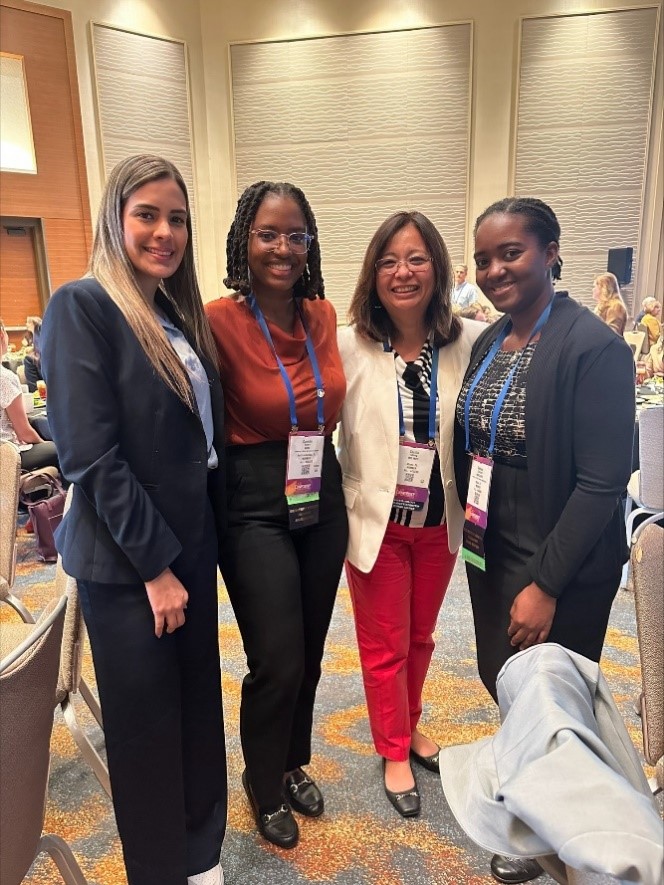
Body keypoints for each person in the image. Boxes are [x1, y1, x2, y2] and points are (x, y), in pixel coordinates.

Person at [41, 155, 227, 885]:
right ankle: (160, 871)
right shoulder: (82, 306)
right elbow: (91, 455)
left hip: (190, 545)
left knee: (194, 714)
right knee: (149, 734)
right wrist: (155, 568)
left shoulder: (172, 314)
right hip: (132, 564)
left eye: (177, 218)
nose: (164, 231)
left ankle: (200, 857)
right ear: (116, 220)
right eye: (147, 214)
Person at [453, 197, 635, 885]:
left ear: (551, 251)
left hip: (559, 553)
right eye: (485, 259)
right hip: (491, 540)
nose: (496, 269)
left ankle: (567, 840)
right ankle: (531, 809)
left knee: (554, 702)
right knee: (508, 683)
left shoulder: (596, 347)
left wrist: (546, 583)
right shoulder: (488, 340)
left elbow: (601, 483)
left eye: (512, 252)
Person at [206, 181, 347, 850]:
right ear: (244, 239)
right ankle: (260, 782)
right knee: (278, 656)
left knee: (312, 649)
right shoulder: (216, 319)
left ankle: (290, 762)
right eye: (268, 234)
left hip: (322, 483)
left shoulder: (322, 314)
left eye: (296, 235)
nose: (283, 247)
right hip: (253, 497)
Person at [337, 212, 483, 818]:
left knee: (421, 637)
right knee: (385, 644)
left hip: (440, 524)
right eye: (390, 261)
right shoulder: (348, 344)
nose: (403, 272)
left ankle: (410, 723)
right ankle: (394, 749)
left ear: (438, 270)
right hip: (377, 525)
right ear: (373, 273)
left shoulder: (470, 341)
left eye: (417, 259)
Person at [0, 318, 58, 471]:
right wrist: (44, 444)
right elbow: (24, 433)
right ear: (1, 335)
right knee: (57, 449)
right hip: (7, 455)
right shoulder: (4, 377)